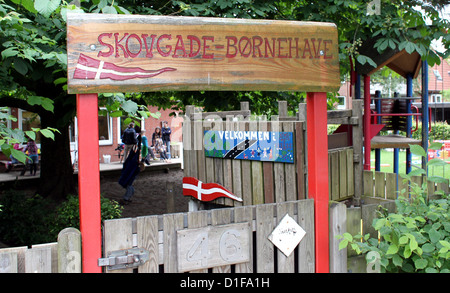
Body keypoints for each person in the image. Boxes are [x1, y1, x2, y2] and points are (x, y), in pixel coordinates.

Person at [119, 125, 142, 205]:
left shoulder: (126, 130)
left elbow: (123, 137)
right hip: (133, 167)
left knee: (126, 156)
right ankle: (125, 198)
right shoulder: (136, 149)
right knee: (130, 185)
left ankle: (126, 198)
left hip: (127, 145)